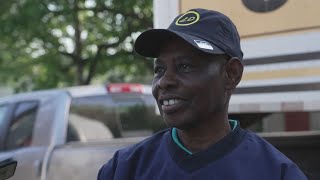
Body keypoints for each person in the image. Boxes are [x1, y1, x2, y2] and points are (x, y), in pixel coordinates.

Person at [97, 8, 307, 180]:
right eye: (159, 70)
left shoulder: (276, 173)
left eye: (185, 66)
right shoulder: (123, 170)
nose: (164, 81)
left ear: (231, 74)